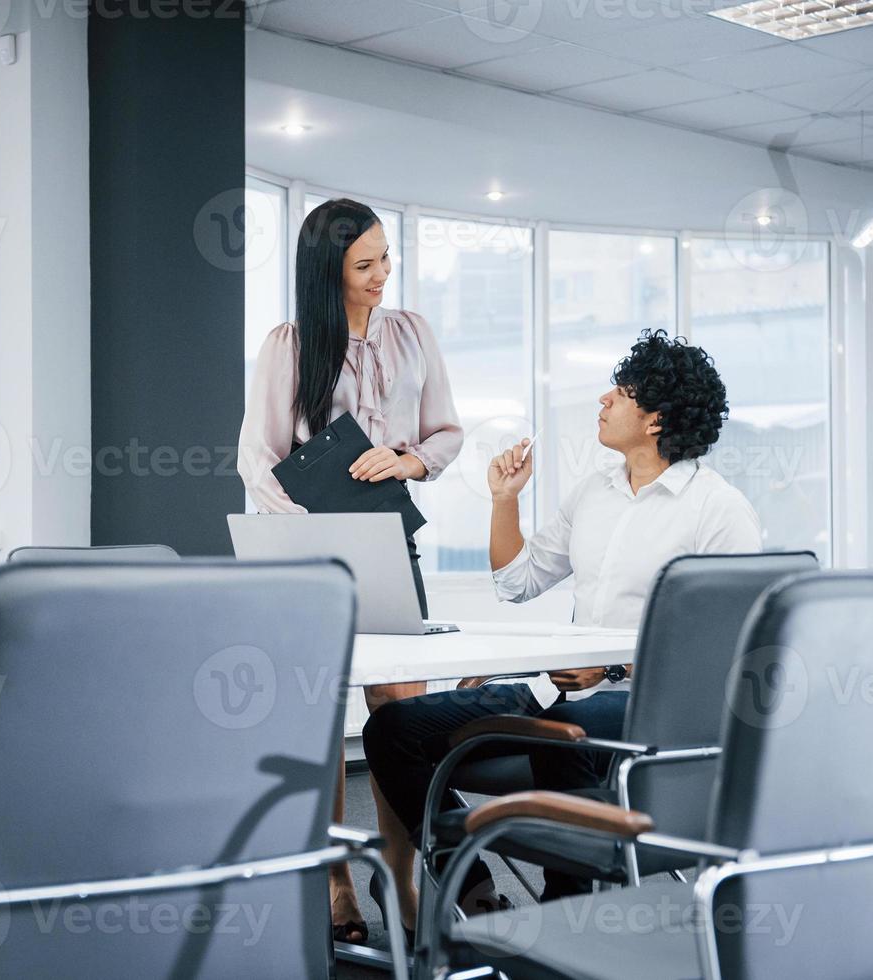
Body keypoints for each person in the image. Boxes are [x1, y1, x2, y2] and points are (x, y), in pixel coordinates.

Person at [362, 328, 762, 908]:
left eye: (619, 393)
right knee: (392, 729)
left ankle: (567, 908)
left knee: (570, 735)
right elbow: (517, 582)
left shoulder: (719, 509)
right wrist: (505, 500)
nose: (603, 400)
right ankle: (472, 888)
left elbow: (736, 645)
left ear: (655, 419)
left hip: (650, 705)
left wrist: (616, 668)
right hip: (560, 692)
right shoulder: (593, 492)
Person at [237, 197, 463, 945]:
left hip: (390, 544)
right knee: (319, 721)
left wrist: (407, 458)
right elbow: (258, 458)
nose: (381, 275)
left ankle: (400, 875)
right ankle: (336, 878)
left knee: (402, 718)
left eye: (385, 258)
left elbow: (446, 432)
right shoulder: (290, 344)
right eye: (364, 265)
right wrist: (313, 526)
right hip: (308, 556)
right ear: (326, 271)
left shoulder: (413, 335)